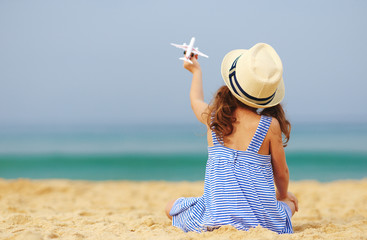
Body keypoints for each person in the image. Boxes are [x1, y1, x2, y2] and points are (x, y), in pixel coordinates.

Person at [165, 43, 298, 234]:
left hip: (217, 217)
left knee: (171, 206)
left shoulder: (214, 118)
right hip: (259, 221)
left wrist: (196, 71)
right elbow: (282, 173)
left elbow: (195, 101)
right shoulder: (270, 126)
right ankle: (286, 203)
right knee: (291, 203)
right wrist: (283, 195)